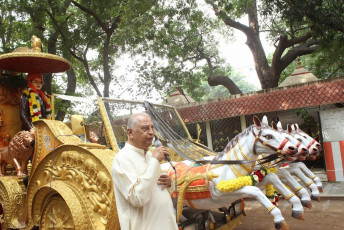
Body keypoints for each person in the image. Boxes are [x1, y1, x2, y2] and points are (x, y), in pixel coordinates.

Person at [111, 113, 178, 230]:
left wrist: (169, 184)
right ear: (130, 133)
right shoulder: (122, 159)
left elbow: (154, 186)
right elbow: (137, 198)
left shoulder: (148, 154)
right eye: (145, 128)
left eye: (152, 127)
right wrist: (155, 161)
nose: (151, 132)